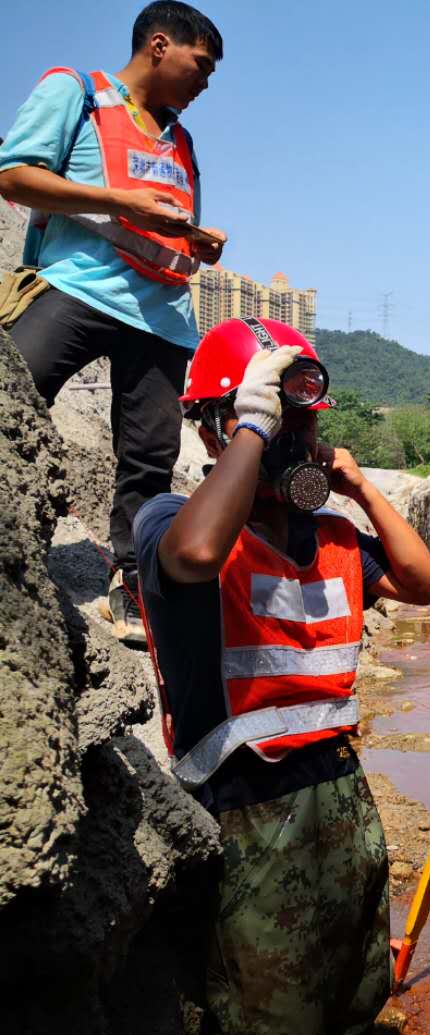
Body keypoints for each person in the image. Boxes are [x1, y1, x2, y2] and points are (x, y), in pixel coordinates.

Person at [133, 317, 430, 1035]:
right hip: (246, 814)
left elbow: (426, 585)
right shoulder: (173, 520)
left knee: (347, 1004)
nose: (293, 444)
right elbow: (199, 555)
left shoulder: (331, 534)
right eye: (280, 427)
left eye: (302, 427)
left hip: (342, 802)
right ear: (219, 432)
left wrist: (361, 485)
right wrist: (252, 427)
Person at [0, 2, 227, 644]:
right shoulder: (77, 93)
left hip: (160, 317)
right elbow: (13, 176)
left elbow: (164, 224)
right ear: (159, 45)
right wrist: (114, 200)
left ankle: (130, 584)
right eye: (201, 65)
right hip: (77, 290)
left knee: (149, 462)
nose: (205, 83)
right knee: (11, 397)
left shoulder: (181, 139)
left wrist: (199, 244)